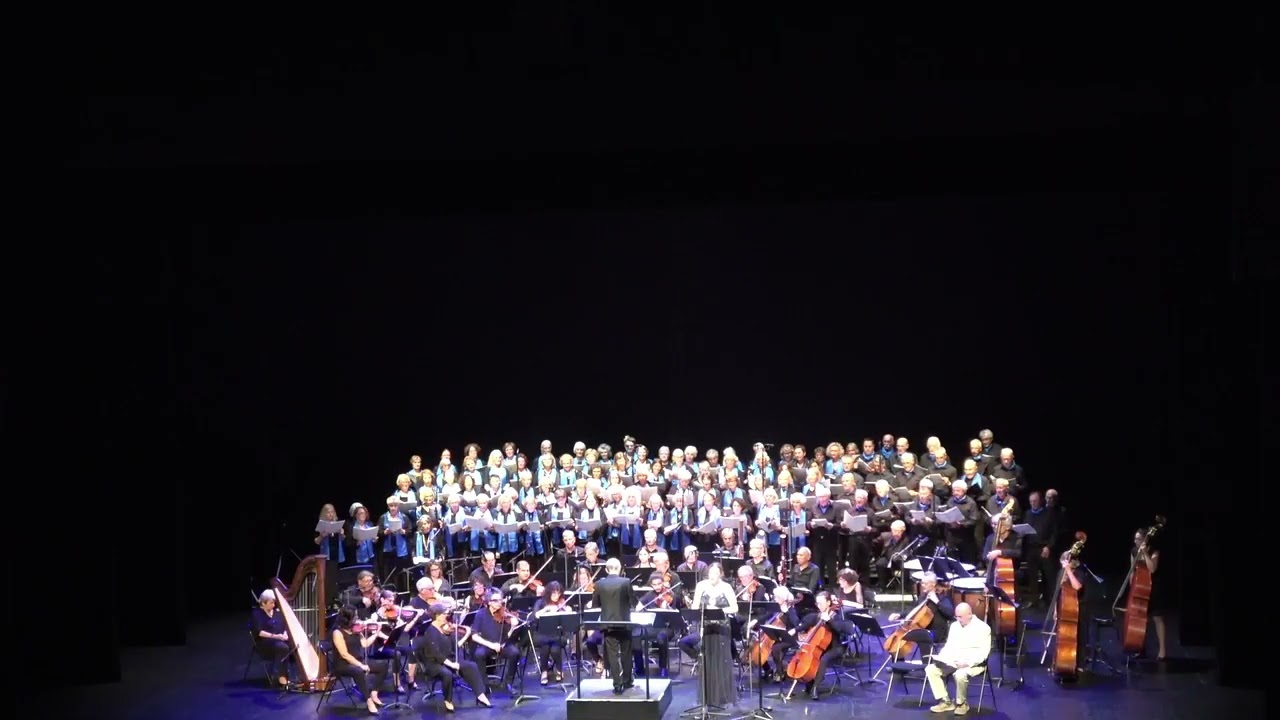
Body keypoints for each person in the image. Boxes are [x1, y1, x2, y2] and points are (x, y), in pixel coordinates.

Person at [417, 603, 491, 710]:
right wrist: (451, 664)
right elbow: (436, 654)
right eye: (445, 614)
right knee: (447, 673)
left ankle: (480, 695)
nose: (448, 616)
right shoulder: (430, 632)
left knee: (471, 665)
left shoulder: (447, 628)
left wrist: (466, 634)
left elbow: (455, 646)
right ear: (437, 615)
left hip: (449, 659)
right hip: (434, 663)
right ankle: (448, 700)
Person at [684, 562, 739, 706]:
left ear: (721, 574)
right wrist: (696, 611)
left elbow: (735, 607)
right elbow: (696, 605)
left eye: (716, 573)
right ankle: (708, 696)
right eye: (710, 573)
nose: (712, 576)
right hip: (706, 627)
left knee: (721, 661)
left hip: (721, 628)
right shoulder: (701, 585)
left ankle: (722, 696)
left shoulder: (726, 587)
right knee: (708, 660)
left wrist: (719, 610)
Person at [924, 602, 992, 715]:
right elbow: (949, 646)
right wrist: (941, 657)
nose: (958, 619)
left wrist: (967, 663)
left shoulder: (983, 628)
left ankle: (962, 703)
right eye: (956, 616)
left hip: (973, 664)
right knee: (931, 669)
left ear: (969, 614)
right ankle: (946, 701)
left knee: (960, 674)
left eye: (960, 617)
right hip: (954, 661)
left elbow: (983, 654)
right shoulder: (955, 626)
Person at [790, 590, 855, 700]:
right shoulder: (818, 616)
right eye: (817, 603)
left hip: (835, 647)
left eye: (820, 603)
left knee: (823, 659)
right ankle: (809, 683)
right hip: (820, 647)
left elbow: (842, 629)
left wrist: (830, 621)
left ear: (829, 603)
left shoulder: (835, 616)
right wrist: (795, 630)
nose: (818, 606)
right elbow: (807, 623)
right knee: (812, 656)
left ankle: (815, 687)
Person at [331, 605, 388, 715]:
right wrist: (360, 665)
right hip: (342, 665)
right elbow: (344, 654)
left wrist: (376, 633)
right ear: (347, 618)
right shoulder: (337, 633)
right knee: (358, 671)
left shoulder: (356, 629)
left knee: (383, 666)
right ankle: (369, 701)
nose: (357, 618)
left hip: (357, 661)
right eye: (355, 616)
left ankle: (374, 694)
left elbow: (365, 644)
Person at [591, 557, 636, 694]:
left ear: (606, 569)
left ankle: (617, 684)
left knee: (612, 654)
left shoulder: (599, 584)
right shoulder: (626, 582)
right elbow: (633, 601)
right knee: (626, 652)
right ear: (620, 568)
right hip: (624, 623)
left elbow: (595, 604)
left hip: (608, 624)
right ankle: (627, 680)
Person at [887, 571, 954, 649]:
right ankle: (898, 657)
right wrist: (899, 615)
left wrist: (936, 601)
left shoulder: (942, 596)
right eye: (922, 583)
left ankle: (926, 660)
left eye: (926, 584)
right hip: (923, 629)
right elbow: (914, 610)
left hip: (937, 633)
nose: (923, 586)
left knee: (921, 636)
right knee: (902, 633)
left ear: (933, 584)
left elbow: (950, 614)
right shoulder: (923, 597)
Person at [1130, 526, 1168, 660]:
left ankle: (1162, 650)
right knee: (1140, 620)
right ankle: (1140, 648)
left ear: (1145, 540)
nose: (1135, 541)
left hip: (1154, 588)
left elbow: (1152, 569)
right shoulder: (1134, 551)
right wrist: (1131, 588)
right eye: (1135, 538)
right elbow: (1132, 571)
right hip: (1140, 588)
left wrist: (1145, 553)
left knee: (1157, 618)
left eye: (1138, 539)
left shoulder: (1154, 551)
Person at [250, 589, 293, 687]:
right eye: (271, 603)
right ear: (263, 603)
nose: (273, 605)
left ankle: (285, 674)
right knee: (283, 647)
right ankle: (281, 676)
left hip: (280, 640)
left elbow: (285, 626)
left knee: (294, 645)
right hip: (265, 643)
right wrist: (276, 636)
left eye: (274, 602)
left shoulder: (277, 613)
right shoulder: (257, 614)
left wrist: (285, 633)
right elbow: (260, 632)